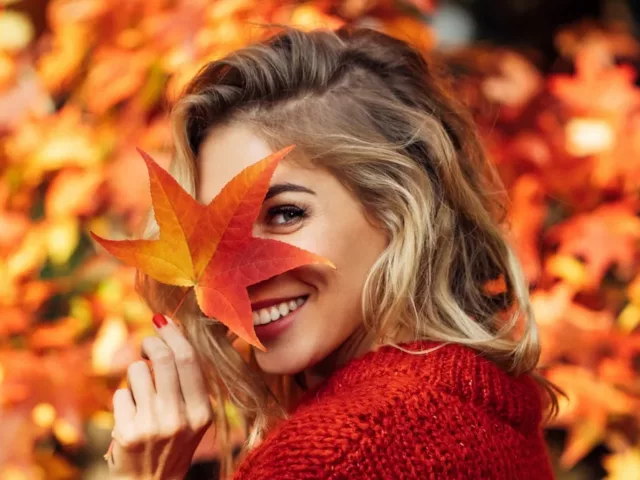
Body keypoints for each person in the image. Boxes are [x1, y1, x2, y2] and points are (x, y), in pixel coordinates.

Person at [107, 26, 559, 479]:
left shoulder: (331, 455)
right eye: (217, 234)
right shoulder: (482, 395)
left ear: (398, 205)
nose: (238, 271)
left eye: (285, 214)